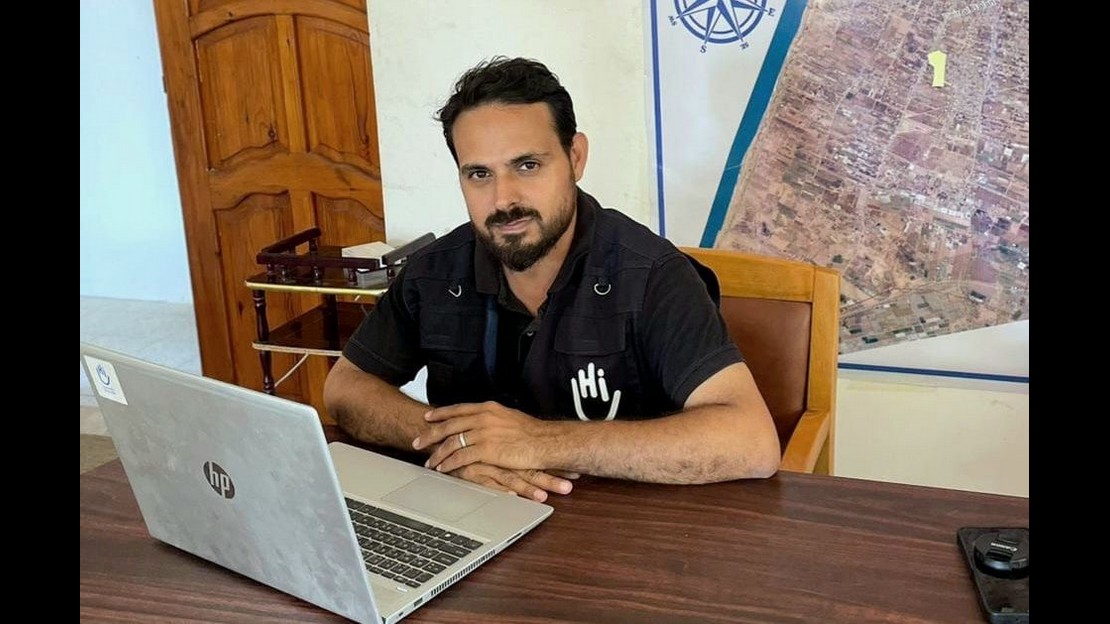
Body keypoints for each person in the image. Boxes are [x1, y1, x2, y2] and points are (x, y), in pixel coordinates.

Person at [323, 56, 780, 502]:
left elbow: (750, 442)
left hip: (628, 536)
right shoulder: (435, 270)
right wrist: (460, 442)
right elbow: (346, 387)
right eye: (480, 174)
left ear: (575, 157)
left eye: (527, 166)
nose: (504, 200)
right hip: (475, 517)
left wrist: (537, 442)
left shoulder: (652, 274)